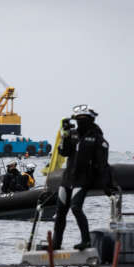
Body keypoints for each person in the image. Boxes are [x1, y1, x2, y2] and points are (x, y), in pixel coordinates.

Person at [52, 104, 111, 251]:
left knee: (76, 208)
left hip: (83, 178)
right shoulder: (72, 134)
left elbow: (103, 163)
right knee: (60, 211)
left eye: (83, 118)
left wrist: (106, 183)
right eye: (78, 118)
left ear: (91, 119)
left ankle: (86, 241)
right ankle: (56, 243)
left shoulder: (97, 137)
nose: (80, 121)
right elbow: (64, 152)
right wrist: (64, 134)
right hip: (68, 179)